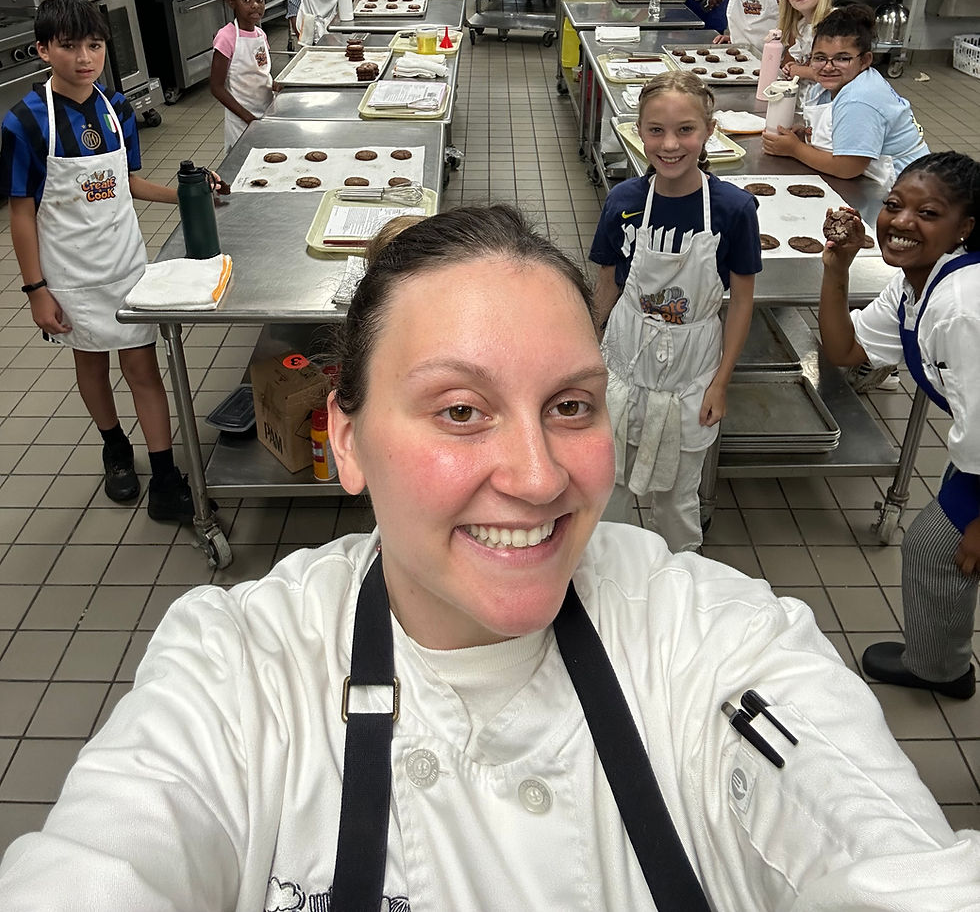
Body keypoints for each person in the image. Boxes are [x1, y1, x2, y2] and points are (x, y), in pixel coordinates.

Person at [2, 202, 979, 911]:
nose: (537, 473)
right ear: (343, 437)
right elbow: (109, 854)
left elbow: (868, 835)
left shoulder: (713, 641)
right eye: (459, 409)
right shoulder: (241, 672)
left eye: (569, 404)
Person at [0, 0, 207, 520]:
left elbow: (128, 183)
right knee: (90, 362)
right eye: (69, 47)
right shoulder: (25, 123)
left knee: (142, 366)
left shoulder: (116, 110)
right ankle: (115, 447)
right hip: (69, 275)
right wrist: (35, 289)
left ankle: (164, 477)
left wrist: (191, 190)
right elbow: (21, 213)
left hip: (125, 264)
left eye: (94, 45)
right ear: (43, 49)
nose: (85, 58)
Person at [817, 153, 980, 702]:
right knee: (934, 548)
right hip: (976, 446)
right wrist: (836, 269)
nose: (903, 221)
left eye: (928, 213)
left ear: (965, 228)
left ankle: (942, 667)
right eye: (894, 206)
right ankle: (941, 665)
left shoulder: (961, 304)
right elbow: (846, 351)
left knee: (943, 547)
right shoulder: (916, 284)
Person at [589, 73, 761, 551]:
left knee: (678, 497)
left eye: (685, 130)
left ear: (709, 131)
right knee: (611, 485)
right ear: (637, 132)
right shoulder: (624, 202)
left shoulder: (733, 209)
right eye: (655, 131)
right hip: (624, 359)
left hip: (693, 371)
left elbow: (742, 300)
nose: (669, 145)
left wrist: (720, 383)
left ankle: (683, 578)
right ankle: (610, 575)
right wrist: (587, 359)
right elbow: (606, 286)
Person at [761, 3, 928, 191]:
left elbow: (847, 167)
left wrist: (795, 150)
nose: (828, 66)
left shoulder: (860, 98)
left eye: (842, 58)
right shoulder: (829, 86)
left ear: (865, 60)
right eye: (820, 57)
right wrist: (809, 134)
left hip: (903, 185)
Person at [209, 0, 273, 153]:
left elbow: (262, 72)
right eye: (246, 0)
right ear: (232, 2)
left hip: (265, 113)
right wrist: (248, 118)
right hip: (241, 121)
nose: (255, 5)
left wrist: (278, 85)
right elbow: (216, 87)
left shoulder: (261, 35)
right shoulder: (227, 37)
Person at [776, 0, 833, 84]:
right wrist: (791, 66)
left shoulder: (833, 23)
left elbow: (832, 72)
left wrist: (798, 71)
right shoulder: (801, 26)